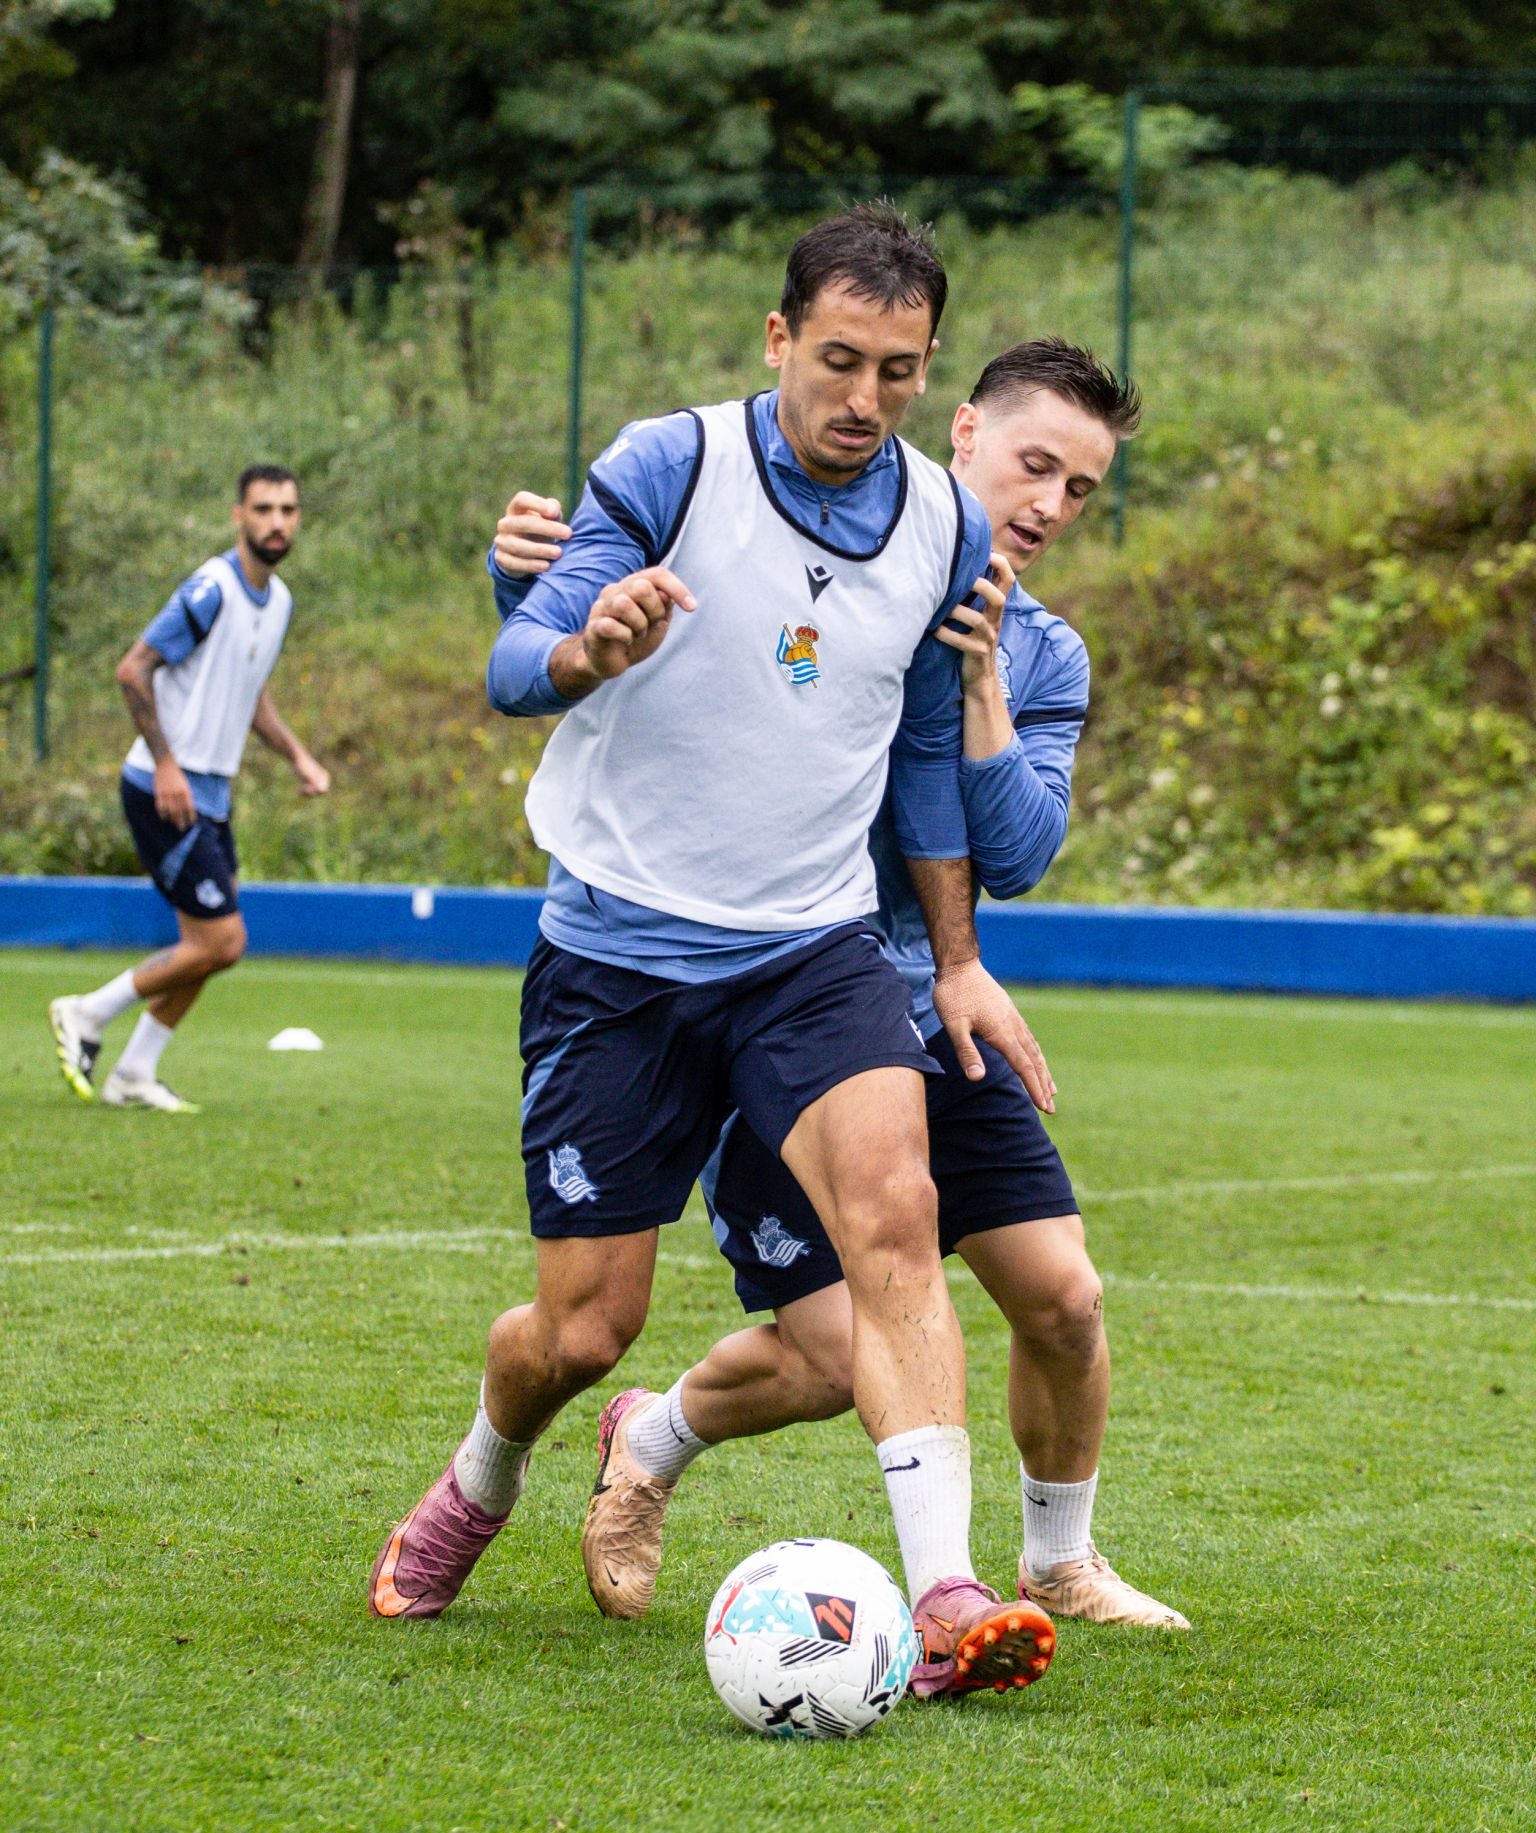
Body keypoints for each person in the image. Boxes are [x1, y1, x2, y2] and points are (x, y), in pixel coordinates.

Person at [370, 204, 1059, 1700]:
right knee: (584, 1326)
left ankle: (945, 1594)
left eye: (895, 369)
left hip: (813, 952)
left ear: (928, 365)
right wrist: (583, 649)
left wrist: (950, 959)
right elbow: (510, 663)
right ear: (776, 338)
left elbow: (931, 763)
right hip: (616, 954)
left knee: (897, 1214)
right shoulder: (671, 465)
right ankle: (483, 1478)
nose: (860, 401)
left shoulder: (941, 520)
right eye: (835, 361)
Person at [493, 339, 1189, 1634]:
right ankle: (655, 1444)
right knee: (824, 1354)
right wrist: (529, 586)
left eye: (1081, 490)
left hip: (923, 1006)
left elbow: (1021, 850)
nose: (1048, 505)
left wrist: (977, 685)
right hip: (785, 995)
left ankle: (1053, 1564)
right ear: (962, 435)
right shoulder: (829, 560)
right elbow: (666, 672)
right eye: (1034, 466)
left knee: (1065, 1299)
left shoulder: (1045, 654)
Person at [48, 465, 329, 1112]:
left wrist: (298, 757)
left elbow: (249, 693)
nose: (277, 522)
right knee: (222, 941)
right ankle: (87, 1013)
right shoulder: (211, 589)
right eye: (264, 509)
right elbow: (133, 669)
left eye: (288, 509)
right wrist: (168, 764)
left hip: (211, 794)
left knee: (209, 950)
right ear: (238, 516)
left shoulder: (278, 600)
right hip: (161, 786)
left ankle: (134, 1073)